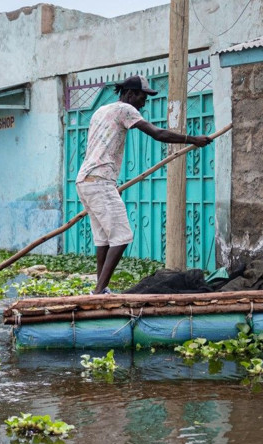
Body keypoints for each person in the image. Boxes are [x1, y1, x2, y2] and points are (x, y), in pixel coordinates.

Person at [76, 75, 212, 295]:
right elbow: (157, 134)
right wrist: (193, 139)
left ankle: (99, 290)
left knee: (104, 239)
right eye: (142, 96)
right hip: (99, 180)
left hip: (85, 180)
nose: (144, 102)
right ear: (129, 94)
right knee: (122, 237)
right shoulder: (125, 110)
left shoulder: (101, 111)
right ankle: (99, 291)